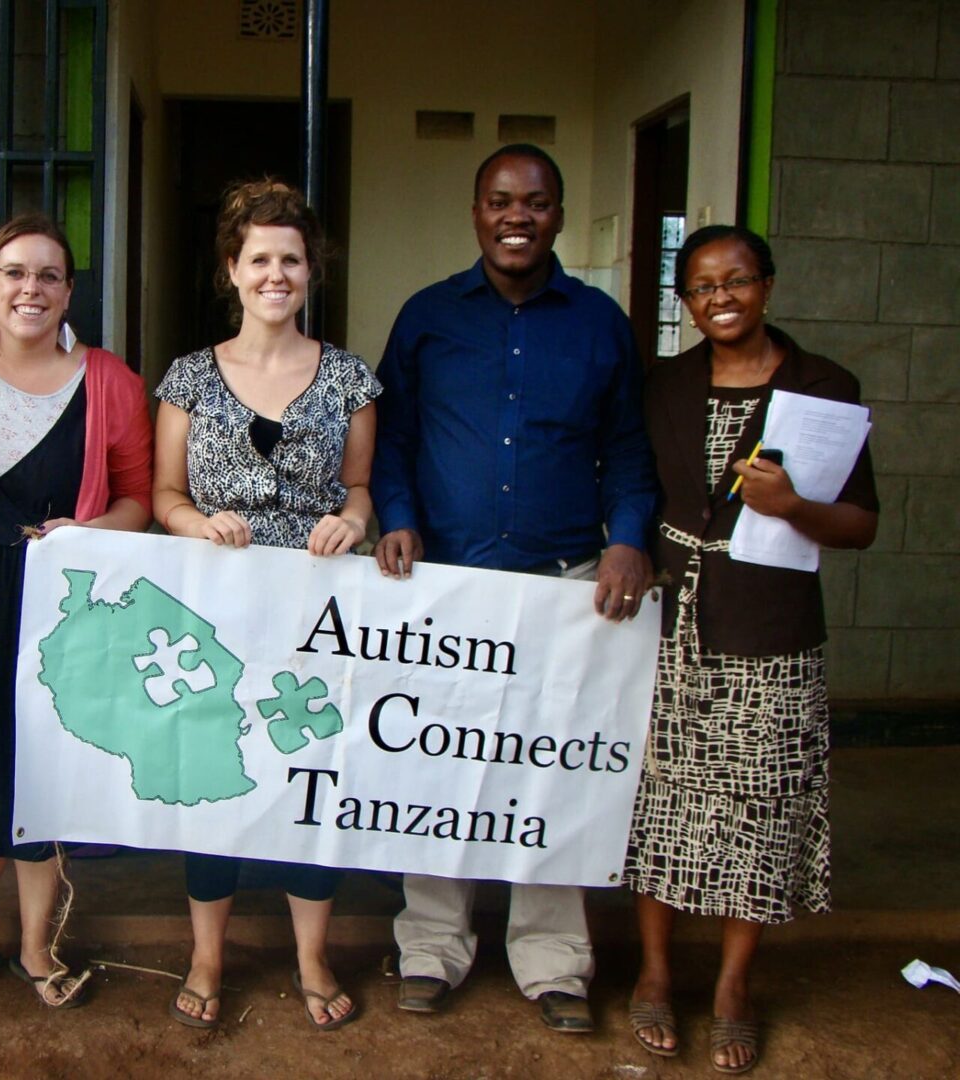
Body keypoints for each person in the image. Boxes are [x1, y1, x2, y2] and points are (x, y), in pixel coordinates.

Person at [371, 144, 657, 1033]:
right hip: (446, 585)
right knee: (435, 767)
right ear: (475, 212)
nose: (516, 216)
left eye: (534, 202)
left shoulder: (601, 324)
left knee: (553, 776)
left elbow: (632, 454)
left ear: (559, 216)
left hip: (567, 588)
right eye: (500, 200)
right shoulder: (426, 318)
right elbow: (391, 441)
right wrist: (396, 513)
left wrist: (627, 541)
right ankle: (432, 947)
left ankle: (553, 960)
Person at [623, 225, 877, 1074]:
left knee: (760, 811)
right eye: (700, 286)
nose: (719, 298)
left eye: (736, 280)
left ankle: (734, 986)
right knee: (658, 805)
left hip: (769, 629)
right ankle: (655, 973)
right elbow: (636, 487)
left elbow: (862, 526)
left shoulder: (823, 389)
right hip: (669, 625)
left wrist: (796, 504)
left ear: (767, 284)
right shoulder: (664, 386)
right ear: (684, 301)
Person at [0, 214, 153, 1008]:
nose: (30, 289)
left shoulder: (109, 380)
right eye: (13, 272)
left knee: (40, 771)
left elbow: (139, 498)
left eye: (48, 276)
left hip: (56, 601)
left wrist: (91, 531)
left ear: (69, 290)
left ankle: (37, 948)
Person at [152, 178, 380, 1030]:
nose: (275, 274)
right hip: (216, 610)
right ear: (232, 270)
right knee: (213, 776)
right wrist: (197, 523)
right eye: (260, 260)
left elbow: (360, 488)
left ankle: (311, 956)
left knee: (310, 774)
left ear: (310, 271)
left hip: (316, 615)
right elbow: (164, 493)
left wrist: (351, 520)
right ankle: (207, 956)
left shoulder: (352, 377)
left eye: (291, 259)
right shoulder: (188, 378)